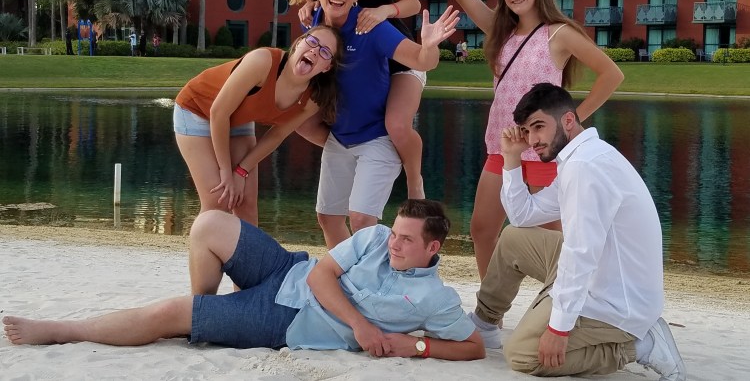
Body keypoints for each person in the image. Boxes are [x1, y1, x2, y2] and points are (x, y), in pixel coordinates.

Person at [386, 0, 624, 279]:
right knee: (482, 230)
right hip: (502, 148)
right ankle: (491, 304)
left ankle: (557, 302)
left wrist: (567, 124)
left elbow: (612, 75)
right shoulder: (500, 31)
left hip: (544, 154)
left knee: (554, 242)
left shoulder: (559, 34)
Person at [2, 200, 485, 361]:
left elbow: (473, 349)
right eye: (396, 233)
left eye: (406, 240)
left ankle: (60, 330)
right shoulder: (375, 237)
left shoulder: (435, 298)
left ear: (433, 249)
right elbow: (322, 274)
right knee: (209, 223)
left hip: (284, 320)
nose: (394, 244)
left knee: (170, 313)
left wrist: (415, 346)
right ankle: (203, 313)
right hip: (288, 270)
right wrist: (362, 326)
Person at [468, 83, 686, 380]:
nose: (532, 140)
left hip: (616, 301)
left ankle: (641, 346)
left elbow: (581, 253)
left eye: (539, 127)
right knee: (513, 239)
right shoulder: (580, 157)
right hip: (603, 272)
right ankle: (485, 323)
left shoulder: (584, 167)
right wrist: (512, 158)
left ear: (568, 120)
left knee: (522, 354)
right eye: (527, 131)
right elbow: (522, 216)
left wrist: (559, 328)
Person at [302, 0, 458, 249]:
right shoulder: (312, 26)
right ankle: (349, 273)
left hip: (377, 137)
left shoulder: (370, 27)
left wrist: (429, 46)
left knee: (361, 219)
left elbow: (421, 61)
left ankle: (383, 268)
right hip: (340, 138)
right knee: (328, 217)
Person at [283, 0, 427, 199]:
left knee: (397, 125)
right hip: (355, 67)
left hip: (398, 61)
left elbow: (412, 3)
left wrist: (384, 11)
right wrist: (309, 6)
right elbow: (327, 21)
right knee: (301, 121)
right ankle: (360, 154)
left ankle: (414, 182)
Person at [174, 26, 342, 226]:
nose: (315, 51)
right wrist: (226, 172)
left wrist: (241, 171)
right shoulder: (262, 61)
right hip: (196, 110)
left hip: (237, 120)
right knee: (218, 201)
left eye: (325, 52)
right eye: (312, 42)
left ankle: (245, 249)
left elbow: (277, 135)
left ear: (327, 67)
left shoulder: (312, 98)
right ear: (298, 43)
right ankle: (205, 246)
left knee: (245, 203)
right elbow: (218, 113)